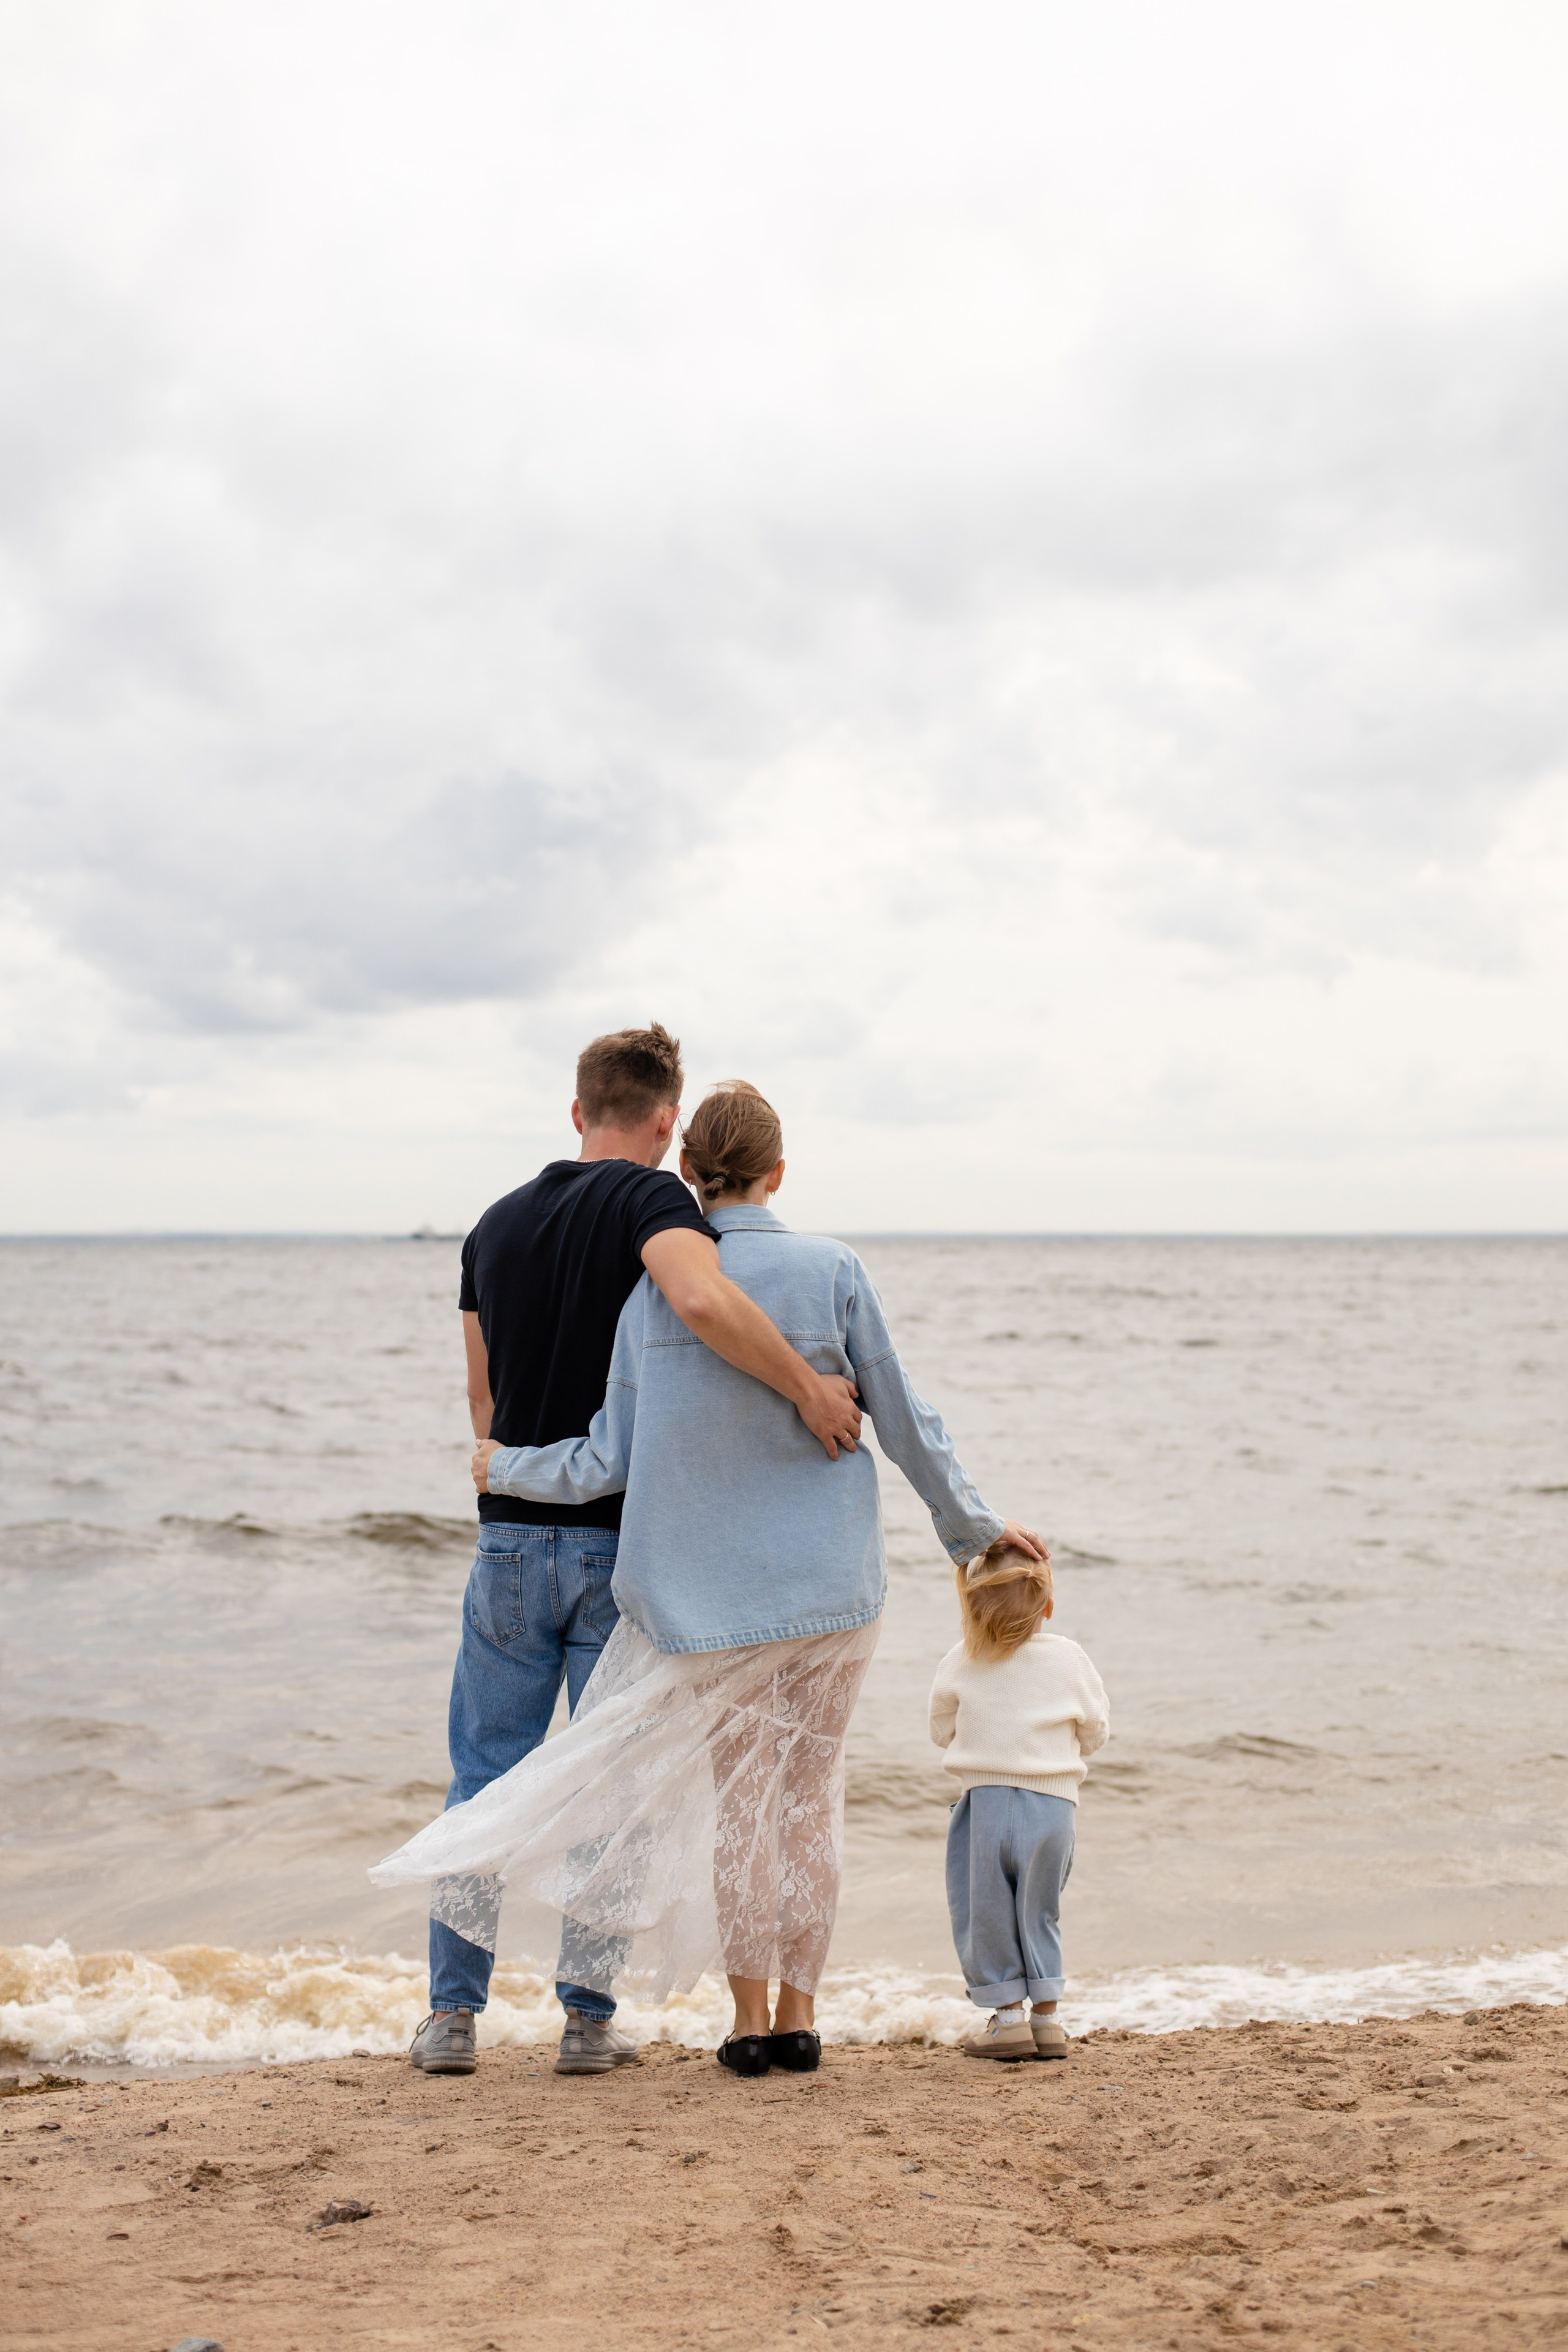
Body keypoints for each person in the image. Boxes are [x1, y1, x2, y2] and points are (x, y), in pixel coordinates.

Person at [374, 1080, 1046, 2078]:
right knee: (810, 1802)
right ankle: (798, 2015)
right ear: (779, 1173)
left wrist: (501, 1465)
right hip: (834, 1593)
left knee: (741, 1807)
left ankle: (740, 2025)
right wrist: (976, 1535)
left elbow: (608, 1460)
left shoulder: (649, 1297)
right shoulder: (834, 1269)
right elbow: (906, 1421)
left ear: (688, 1172)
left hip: (711, 1605)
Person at [409, 1029, 864, 2082]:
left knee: (483, 1777)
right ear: (667, 1124)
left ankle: (450, 2019)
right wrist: (806, 1389)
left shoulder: (490, 1228)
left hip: (512, 1544)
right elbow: (702, 1302)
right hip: (619, 1549)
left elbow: (485, 1411)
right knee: (612, 1791)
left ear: (578, 1112)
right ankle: (585, 2021)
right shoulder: (651, 1205)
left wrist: (505, 1469)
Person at [929, 1540, 1110, 2062]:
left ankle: (1008, 2021)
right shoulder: (1070, 1658)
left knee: (983, 1911)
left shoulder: (959, 1659)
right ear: (1047, 1606)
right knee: (1040, 1911)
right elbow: (1094, 1729)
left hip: (983, 1804)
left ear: (970, 1606)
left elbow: (941, 1730)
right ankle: (1048, 2020)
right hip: (1053, 1808)